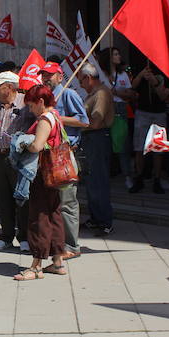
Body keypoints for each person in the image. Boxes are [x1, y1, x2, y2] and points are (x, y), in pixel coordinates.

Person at [12, 85, 69, 280]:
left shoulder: (45, 119)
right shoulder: (56, 116)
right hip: (54, 174)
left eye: (31, 105)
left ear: (41, 102)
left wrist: (22, 141)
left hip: (42, 173)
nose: (30, 109)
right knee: (54, 215)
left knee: (39, 217)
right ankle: (57, 262)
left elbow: (37, 146)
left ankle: (36, 266)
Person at [41, 62, 89, 260]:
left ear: (60, 77)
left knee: (68, 202)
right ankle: (56, 242)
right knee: (52, 201)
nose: (46, 78)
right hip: (48, 154)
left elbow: (84, 121)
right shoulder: (45, 97)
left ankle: (72, 245)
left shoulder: (68, 94)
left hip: (65, 154)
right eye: (44, 74)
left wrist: (57, 117)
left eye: (50, 75)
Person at [0, 71, 32, 251]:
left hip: (17, 157)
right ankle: (6, 236)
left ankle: (24, 236)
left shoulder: (25, 104)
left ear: (10, 87)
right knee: (3, 197)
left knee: (20, 197)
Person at [79, 62, 115, 234]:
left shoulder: (101, 94)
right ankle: (96, 217)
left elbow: (96, 122)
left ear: (88, 78)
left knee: (99, 180)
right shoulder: (93, 93)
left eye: (81, 80)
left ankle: (105, 221)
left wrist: (76, 124)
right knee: (92, 180)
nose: (80, 84)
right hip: (91, 139)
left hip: (98, 138)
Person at [131, 63, 169, 194]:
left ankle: (157, 179)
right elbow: (132, 86)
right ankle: (139, 178)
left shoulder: (166, 69)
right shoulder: (144, 66)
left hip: (159, 112)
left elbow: (164, 96)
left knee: (158, 148)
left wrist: (154, 82)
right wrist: (141, 75)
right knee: (139, 147)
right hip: (142, 111)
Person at [102, 47, 136, 189]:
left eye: (118, 53)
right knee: (106, 143)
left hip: (121, 110)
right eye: (115, 54)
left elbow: (130, 93)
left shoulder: (123, 74)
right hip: (107, 109)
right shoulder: (103, 75)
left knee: (123, 143)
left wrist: (116, 92)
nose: (118, 56)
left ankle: (127, 175)